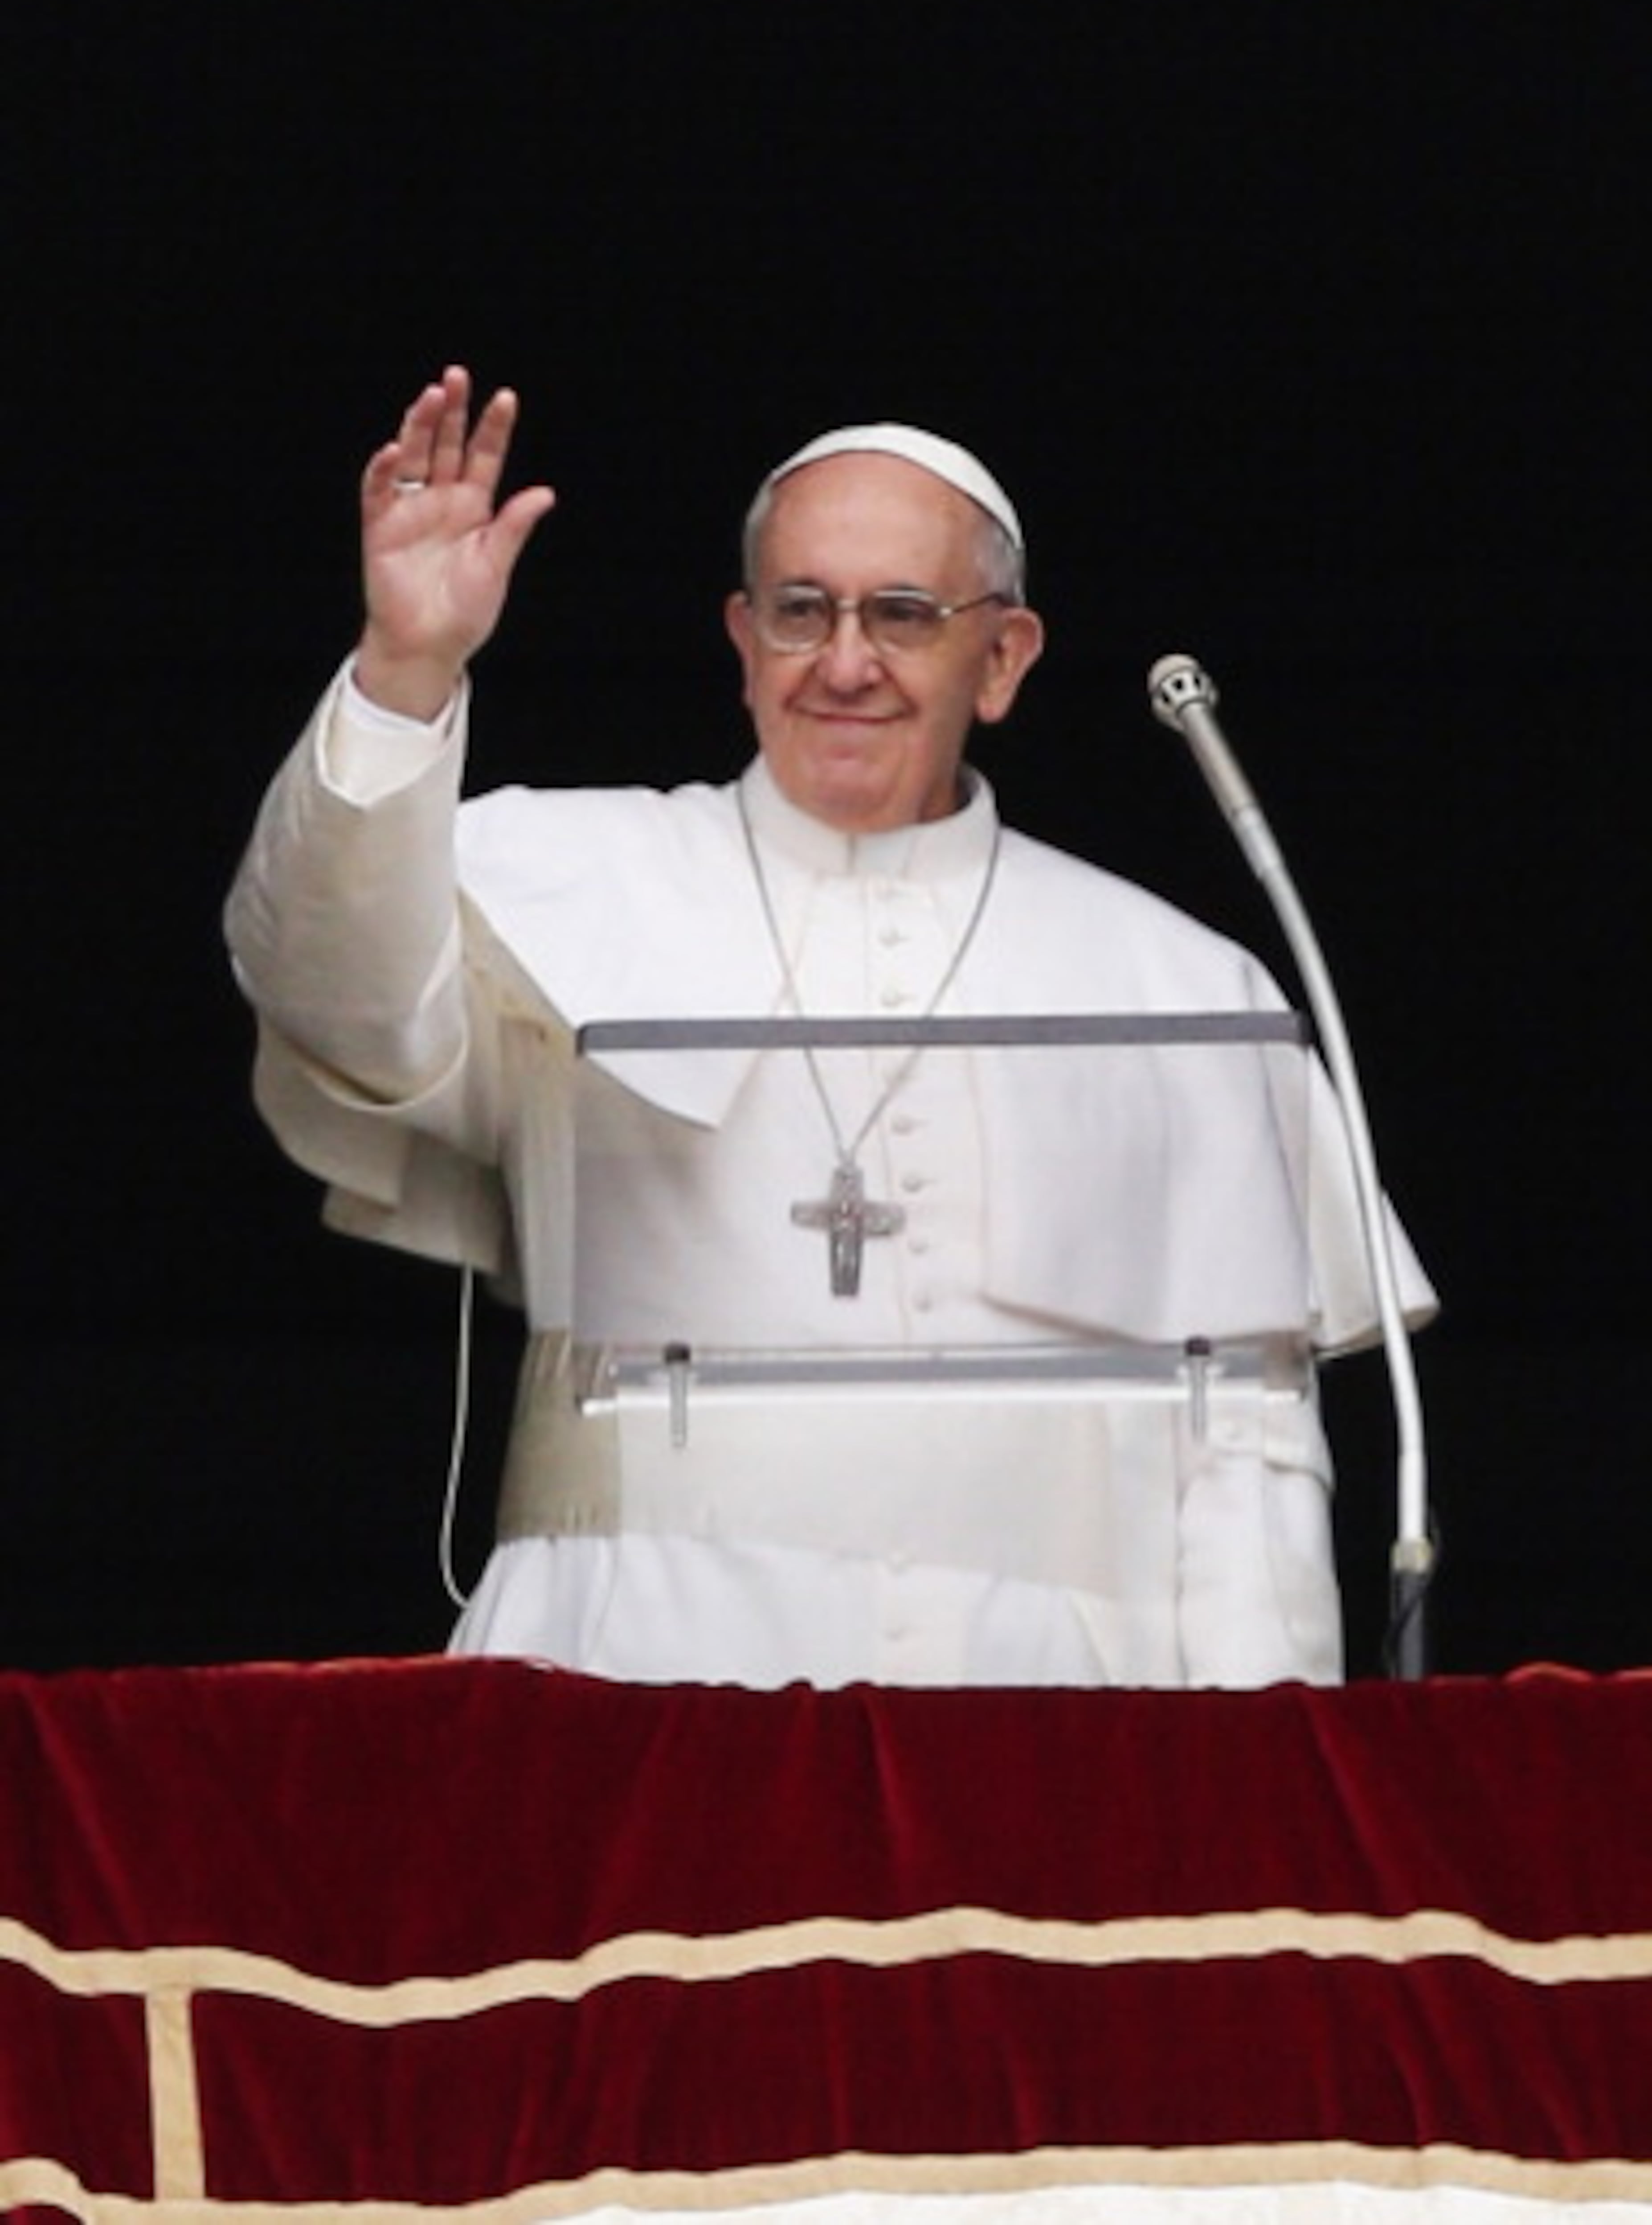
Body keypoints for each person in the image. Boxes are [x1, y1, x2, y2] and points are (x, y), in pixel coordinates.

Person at [226, 366, 1435, 1691]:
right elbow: (334, 997)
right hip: (629, 1677)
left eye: (903, 615)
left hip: (1053, 1710)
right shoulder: (560, 882)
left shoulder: (1177, 984)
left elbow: (1248, 1465)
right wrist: (406, 672)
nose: (846, 664)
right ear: (744, 642)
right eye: (802, 612)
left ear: (1003, 660)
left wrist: (1262, 1774)